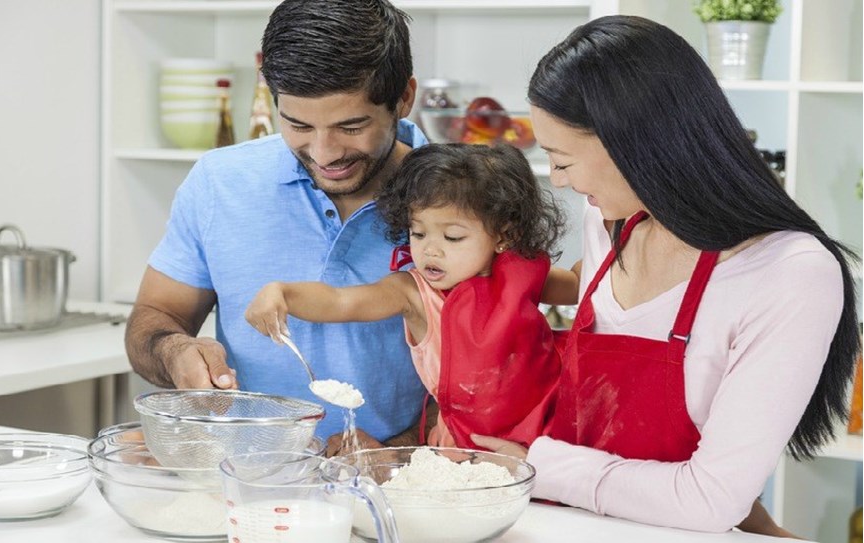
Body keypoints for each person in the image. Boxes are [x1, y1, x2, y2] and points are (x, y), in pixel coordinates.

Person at [472, 15, 860, 535]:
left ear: (637, 144)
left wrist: (536, 466)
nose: (559, 182)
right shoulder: (606, 221)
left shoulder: (789, 271)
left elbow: (707, 503)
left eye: (561, 159)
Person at [124, 0, 430, 446]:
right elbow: (156, 316)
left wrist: (399, 452)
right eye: (297, 124)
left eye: (350, 126)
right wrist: (175, 352)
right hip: (249, 484)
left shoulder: (464, 200)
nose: (324, 153)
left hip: (413, 490)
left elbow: (498, 374)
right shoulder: (220, 182)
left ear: (404, 97)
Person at [245, 143, 579, 449]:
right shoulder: (413, 291)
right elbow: (341, 301)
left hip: (543, 431)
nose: (431, 249)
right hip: (462, 446)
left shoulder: (522, 276)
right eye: (418, 233)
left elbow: (583, 284)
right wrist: (283, 293)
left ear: (504, 235)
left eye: (452, 237)